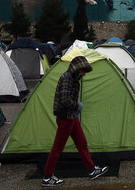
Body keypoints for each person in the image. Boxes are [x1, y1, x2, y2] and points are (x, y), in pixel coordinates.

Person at [42, 56, 109, 187]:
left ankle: (91, 170)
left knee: (82, 143)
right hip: (65, 118)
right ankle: (47, 177)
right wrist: (77, 106)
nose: (84, 74)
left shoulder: (73, 78)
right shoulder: (67, 78)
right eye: (83, 71)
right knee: (57, 148)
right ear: (78, 69)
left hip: (71, 117)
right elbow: (64, 99)